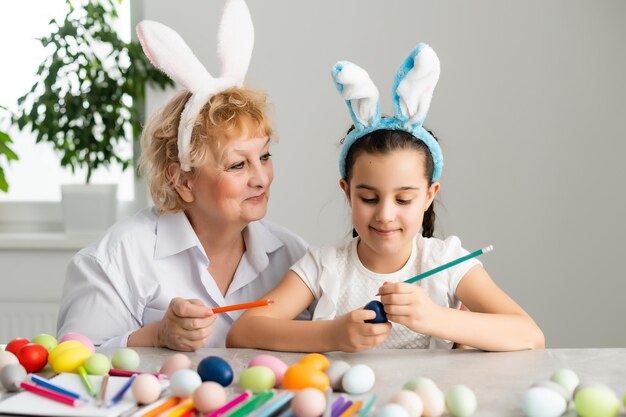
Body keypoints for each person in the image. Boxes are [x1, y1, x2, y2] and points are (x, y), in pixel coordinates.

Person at [227, 43, 545, 352]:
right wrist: (332, 335)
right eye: (369, 198)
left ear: (429, 195)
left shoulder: (446, 262)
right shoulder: (325, 266)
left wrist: (436, 318)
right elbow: (243, 332)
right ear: (347, 192)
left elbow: (530, 335)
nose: (385, 215)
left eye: (404, 200)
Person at [57, 1, 310, 351]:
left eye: (264, 156)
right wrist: (156, 335)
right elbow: (71, 363)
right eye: (238, 165)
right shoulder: (118, 259)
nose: (261, 178)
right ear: (182, 180)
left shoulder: (293, 255)